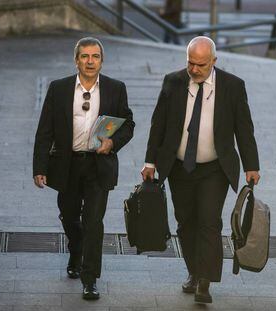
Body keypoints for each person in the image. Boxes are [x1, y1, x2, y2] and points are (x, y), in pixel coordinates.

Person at [141, 36, 260, 304]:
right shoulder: (173, 82)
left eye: (201, 65)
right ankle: (194, 272)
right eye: (190, 63)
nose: (194, 70)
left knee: (209, 221)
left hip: (215, 168)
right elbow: (157, 124)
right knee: (185, 222)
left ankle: (205, 282)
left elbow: (244, 128)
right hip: (179, 167)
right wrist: (150, 162)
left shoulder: (232, 86)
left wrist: (252, 165)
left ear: (214, 62)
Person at [33, 37, 134, 300]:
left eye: (95, 56)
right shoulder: (59, 88)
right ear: (76, 60)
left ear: (102, 60)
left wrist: (112, 143)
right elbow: (45, 130)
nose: (90, 61)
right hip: (67, 165)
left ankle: (90, 279)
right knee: (69, 217)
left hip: (98, 166)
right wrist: (39, 167)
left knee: (93, 223)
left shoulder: (115, 88)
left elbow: (128, 125)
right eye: (85, 56)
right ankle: (75, 250)